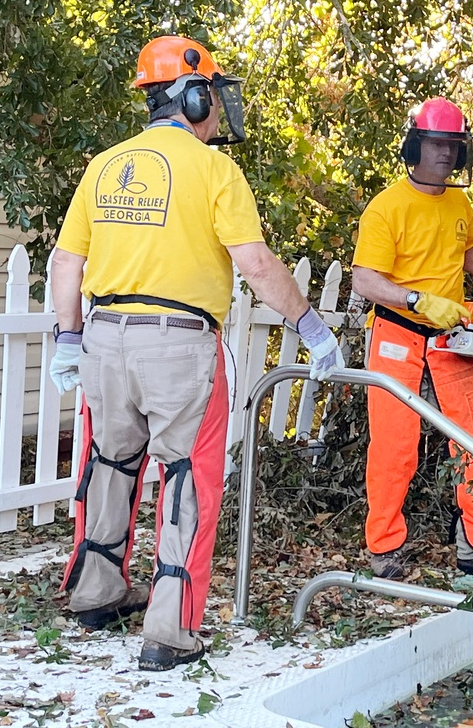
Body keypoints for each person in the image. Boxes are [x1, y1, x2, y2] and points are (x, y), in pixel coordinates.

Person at [48, 35, 344, 671]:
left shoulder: (104, 165)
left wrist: (68, 338)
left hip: (105, 338)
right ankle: (169, 633)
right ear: (193, 94)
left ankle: (95, 596)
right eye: (212, 95)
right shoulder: (215, 170)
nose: (218, 111)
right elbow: (258, 265)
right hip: (178, 346)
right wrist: (312, 327)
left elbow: (67, 261)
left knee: (110, 463)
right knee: (188, 477)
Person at [351, 97, 473, 580]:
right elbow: (364, 279)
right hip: (398, 335)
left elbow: (466, 248)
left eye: (453, 146)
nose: (445, 155)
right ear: (415, 145)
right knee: (393, 447)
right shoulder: (388, 207)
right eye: (436, 145)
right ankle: (383, 550)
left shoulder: (459, 201)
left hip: (453, 338)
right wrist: (415, 301)